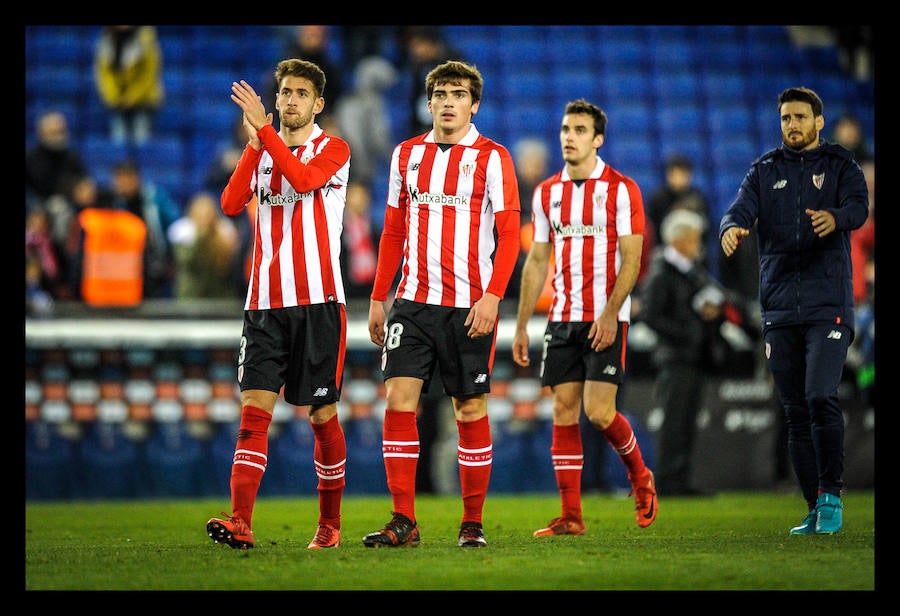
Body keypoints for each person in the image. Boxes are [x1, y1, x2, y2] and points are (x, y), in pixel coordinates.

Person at [364, 60, 520, 548]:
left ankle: (471, 522)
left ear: (474, 105)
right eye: (441, 94)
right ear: (428, 102)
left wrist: (493, 296)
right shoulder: (406, 154)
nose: (449, 102)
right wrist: (378, 296)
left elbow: (510, 234)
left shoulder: (493, 157)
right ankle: (403, 520)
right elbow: (392, 231)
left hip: (470, 305)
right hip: (412, 302)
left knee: (469, 408)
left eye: (459, 94)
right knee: (399, 400)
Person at [206, 58, 351, 550]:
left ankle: (329, 524)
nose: (291, 100)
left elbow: (305, 180)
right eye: (285, 91)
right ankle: (241, 521)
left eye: (301, 93)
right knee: (253, 410)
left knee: (321, 415)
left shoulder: (333, 148)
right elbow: (230, 204)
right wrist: (254, 146)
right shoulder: (263, 150)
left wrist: (265, 134)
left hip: (318, 301)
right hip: (264, 303)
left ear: (318, 104)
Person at [719, 86, 869, 535]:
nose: (792, 125)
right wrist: (731, 228)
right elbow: (738, 209)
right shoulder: (764, 170)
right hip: (780, 307)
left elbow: (860, 208)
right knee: (794, 410)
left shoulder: (840, 164)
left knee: (820, 395)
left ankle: (832, 495)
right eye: (786, 118)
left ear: (818, 122)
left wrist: (836, 218)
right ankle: (813, 504)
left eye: (800, 117)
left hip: (828, 304)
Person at [512, 99, 658, 536]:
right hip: (562, 317)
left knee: (598, 412)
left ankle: (640, 476)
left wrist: (612, 314)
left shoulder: (621, 189)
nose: (569, 137)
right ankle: (571, 516)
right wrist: (521, 325)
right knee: (563, 409)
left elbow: (632, 259)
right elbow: (537, 261)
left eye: (579, 130)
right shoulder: (546, 193)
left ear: (598, 140)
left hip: (605, 316)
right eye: (565, 129)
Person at [640, 208, 726, 496]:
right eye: (693, 239)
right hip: (675, 358)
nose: (697, 245)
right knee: (674, 422)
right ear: (679, 240)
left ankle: (681, 478)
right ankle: (668, 480)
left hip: (694, 356)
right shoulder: (662, 272)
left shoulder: (692, 271)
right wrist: (685, 334)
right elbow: (650, 315)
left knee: (686, 420)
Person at [108, 159, 181, 299]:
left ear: (137, 178)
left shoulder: (155, 198)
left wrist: (170, 257)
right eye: (120, 179)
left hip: (155, 265)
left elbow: (174, 224)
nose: (124, 184)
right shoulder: (112, 204)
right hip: (126, 267)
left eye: (128, 178)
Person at [93, 25, 165, 146]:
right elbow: (104, 74)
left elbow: (149, 75)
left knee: (141, 141)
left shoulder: (146, 40)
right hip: (117, 103)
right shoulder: (105, 41)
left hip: (143, 101)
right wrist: (114, 97)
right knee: (118, 143)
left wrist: (131, 98)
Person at [167, 191, 240, 299]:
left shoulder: (224, 231)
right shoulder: (183, 232)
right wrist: (202, 235)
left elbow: (227, 266)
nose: (205, 218)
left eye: (208, 214)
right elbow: (187, 262)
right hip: (191, 294)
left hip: (220, 294)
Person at [645, 153, 712, 269]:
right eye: (674, 174)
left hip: (692, 255)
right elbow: (653, 231)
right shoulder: (658, 199)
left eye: (682, 174)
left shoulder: (698, 199)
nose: (678, 179)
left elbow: (705, 229)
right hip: (665, 253)